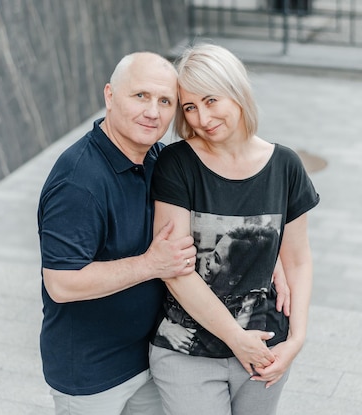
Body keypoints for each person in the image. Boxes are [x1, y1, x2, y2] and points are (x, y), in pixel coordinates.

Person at [148, 43, 320, 415]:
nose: (201, 118)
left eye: (211, 100)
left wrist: (297, 338)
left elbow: (298, 260)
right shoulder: (177, 164)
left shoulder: (286, 166)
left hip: (266, 347)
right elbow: (175, 269)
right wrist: (235, 339)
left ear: (237, 92)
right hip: (187, 352)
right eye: (190, 107)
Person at [37, 51, 198, 415]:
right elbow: (62, 282)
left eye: (164, 101)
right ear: (110, 95)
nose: (153, 112)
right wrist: (151, 264)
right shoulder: (79, 182)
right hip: (90, 375)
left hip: (150, 360)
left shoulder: (159, 158)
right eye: (140, 96)